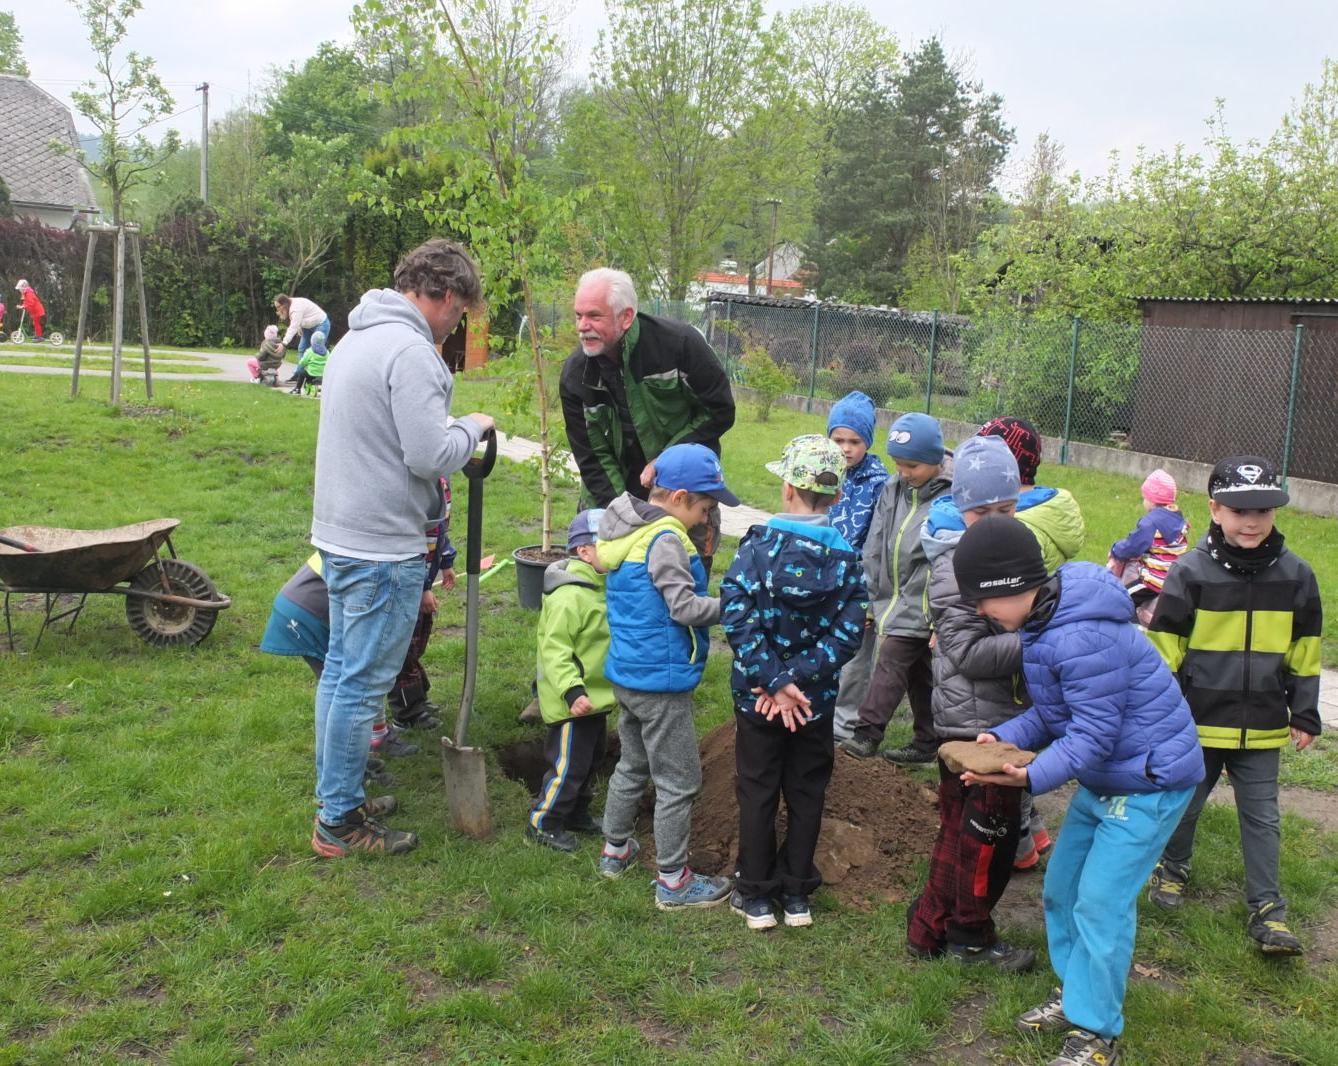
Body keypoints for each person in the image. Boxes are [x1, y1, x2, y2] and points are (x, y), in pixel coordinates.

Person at [952, 516, 1204, 1066]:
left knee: (1101, 903)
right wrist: (1004, 737)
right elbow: (1053, 713)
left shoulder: (1081, 633)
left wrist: (1027, 777)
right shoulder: (1046, 624)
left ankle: (1097, 1035)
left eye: (981, 601)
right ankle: (1077, 995)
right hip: (1110, 775)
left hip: (1149, 782)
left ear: (1011, 589)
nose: (978, 613)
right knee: (1062, 891)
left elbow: (1092, 734)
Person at [309, 238, 494, 858]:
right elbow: (430, 454)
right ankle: (338, 820)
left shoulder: (355, 338)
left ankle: (340, 795)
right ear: (442, 295)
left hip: (339, 534)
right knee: (360, 685)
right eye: (460, 313)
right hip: (381, 545)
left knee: (340, 675)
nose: (456, 326)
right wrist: (473, 427)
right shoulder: (411, 352)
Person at [1145, 456, 1322, 956]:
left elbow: (1305, 651)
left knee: (1263, 818)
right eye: (1240, 510)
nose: (1252, 521)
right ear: (1215, 510)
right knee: (1185, 805)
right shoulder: (1189, 572)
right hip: (1197, 723)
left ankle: (1269, 911)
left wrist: (1304, 711)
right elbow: (1165, 653)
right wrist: (1160, 716)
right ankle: (1173, 868)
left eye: (1264, 510)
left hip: (1263, 726)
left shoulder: (1297, 577)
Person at [721, 435, 868, 930]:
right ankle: (797, 893)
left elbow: (736, 617)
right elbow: (848, 636)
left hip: (758, 700)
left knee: (758, 789)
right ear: (838, 496)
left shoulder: (757, 549)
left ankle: (756, 895)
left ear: (787, 488)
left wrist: (774, 680)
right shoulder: (848, 560)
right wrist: (798, 681)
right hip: (814, 703)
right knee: (807, 793)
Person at [906, 435, 1034, 971]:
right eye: (982, 510)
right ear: (961, 506)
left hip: (999, 721)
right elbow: (968, 652)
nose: (995, 519)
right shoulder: (951, 567)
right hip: (975, 730)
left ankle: (928, 929)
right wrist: (1038, 640)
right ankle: (971, 937)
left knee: (960, 834)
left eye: (1006, 508)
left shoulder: (1009, 551)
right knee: (987, 843)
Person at [595, 442, 737, 909]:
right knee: (679, 780)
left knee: (632, 764)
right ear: (678, 497)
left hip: (629, 673)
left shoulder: (629, 531)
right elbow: (685, 608)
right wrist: (736, 606)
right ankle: (674, 882)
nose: (706, 519)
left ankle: (614, 851)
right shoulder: (666, 541)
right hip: (662, 681)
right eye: (705, 508)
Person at [559, 268, 735, 573]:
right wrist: (622, 514)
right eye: (578, 315)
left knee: (683, 579)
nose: (582, 326)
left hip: (684, 491)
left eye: (594, 316)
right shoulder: (576, 375)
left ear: (626, 317)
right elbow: (590, 457)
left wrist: (667, 459)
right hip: (611, 492)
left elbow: (719, 410)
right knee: (609, 582)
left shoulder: (679, 345)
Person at [976, 415, 1084, 869]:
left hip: (1013, 655)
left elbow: (1087, 735)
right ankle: (1034, 835)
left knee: (1009, 762)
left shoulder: (1019, 531)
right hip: (1026, 655)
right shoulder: (1040, 514)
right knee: (1013, 739)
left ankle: (1019, 847)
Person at [838, 412, 951, 763]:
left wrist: (939, 613)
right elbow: (876, 542)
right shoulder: (893, 488)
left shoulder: (951, 497)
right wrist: (873, 598)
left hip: (925, 602)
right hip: (891, 597)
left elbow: (947, 558)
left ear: (934, 460)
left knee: (890, 660)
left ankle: (866, 733)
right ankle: (928, 740)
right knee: (918, 672)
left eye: (912, 466)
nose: (903, 472)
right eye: (898, 464)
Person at [526, 509, 615, 853]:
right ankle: (543, 821)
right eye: (611, 543)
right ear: (584, 551)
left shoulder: (597, 587)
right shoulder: (569, 596)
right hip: (573, 702)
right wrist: (572, 690)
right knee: (568, 765)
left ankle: (577, 811)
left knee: (590, 760)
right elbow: (555, 650)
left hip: (595, 698)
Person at [825, 391, 890, 743]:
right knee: (822, 649)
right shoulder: (825, 471)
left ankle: (845, 724)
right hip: (823, 580)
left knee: (854, 659)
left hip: (859, 587)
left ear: (868, 441)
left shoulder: (880, 484)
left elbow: (879, 544)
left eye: (854, 441)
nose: (846, 448)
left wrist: (867, 595)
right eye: (838, 440)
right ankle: (820, 713)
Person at [1107, 468, 1189, 626]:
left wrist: (1116, 549)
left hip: (1153, 580)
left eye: (1144, 497)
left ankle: (1133, 626)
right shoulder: (1177, 519)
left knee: (1122, 598)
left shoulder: (1150, 523)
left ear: (1152, 500)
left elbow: (1133, 546)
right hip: (1172, 577)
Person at [274, 293, 331, 359]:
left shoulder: (295, 308)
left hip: (321, 323)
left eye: (278, 307)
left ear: (284, 304)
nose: (278, 310)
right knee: (302, 348)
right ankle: (300, 369)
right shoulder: (290, 303)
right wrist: (299, 328)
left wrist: (283, 344)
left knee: (317, 349)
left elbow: (293, 327)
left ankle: (323, 367)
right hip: (309, 326)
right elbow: (299, 318)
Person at [287, 330, 329, 394]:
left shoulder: (310, 351)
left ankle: (297, 389)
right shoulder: (327, 352)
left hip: (311, 373)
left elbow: (303, 362)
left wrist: (302, 363)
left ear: (312, 341)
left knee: (302, 373)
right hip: (321, 374)